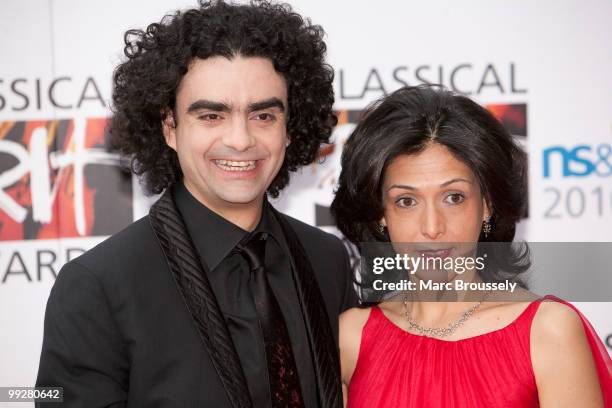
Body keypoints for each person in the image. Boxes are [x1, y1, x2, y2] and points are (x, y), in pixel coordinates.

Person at [35, 1, 356, 407]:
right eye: (211, 116)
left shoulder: (328, 261)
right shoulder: (98, 287)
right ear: (169, 127)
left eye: (263, 116)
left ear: (289, 129)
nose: (240, 140)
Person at [331, 85, 612, 407]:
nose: (432, 228)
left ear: (487, 204)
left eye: (454, 198)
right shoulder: (349, 338)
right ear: (381, 214)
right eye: (406, 201)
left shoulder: (547, 331)